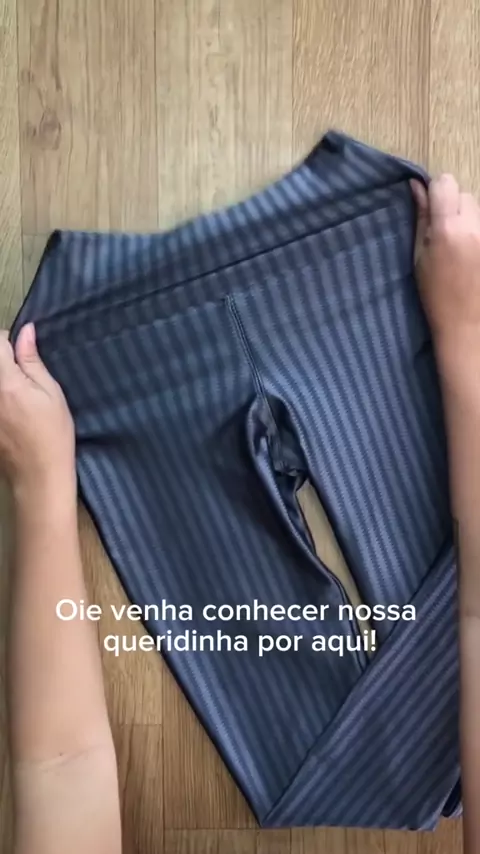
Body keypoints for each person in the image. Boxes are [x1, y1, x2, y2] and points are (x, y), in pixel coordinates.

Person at [0, 174, 479, 854]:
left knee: (366, 778)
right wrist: (466, 334)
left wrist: (43, 486)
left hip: (114, 346)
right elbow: (59, 772)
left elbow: (63, 772)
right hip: (352, 259)